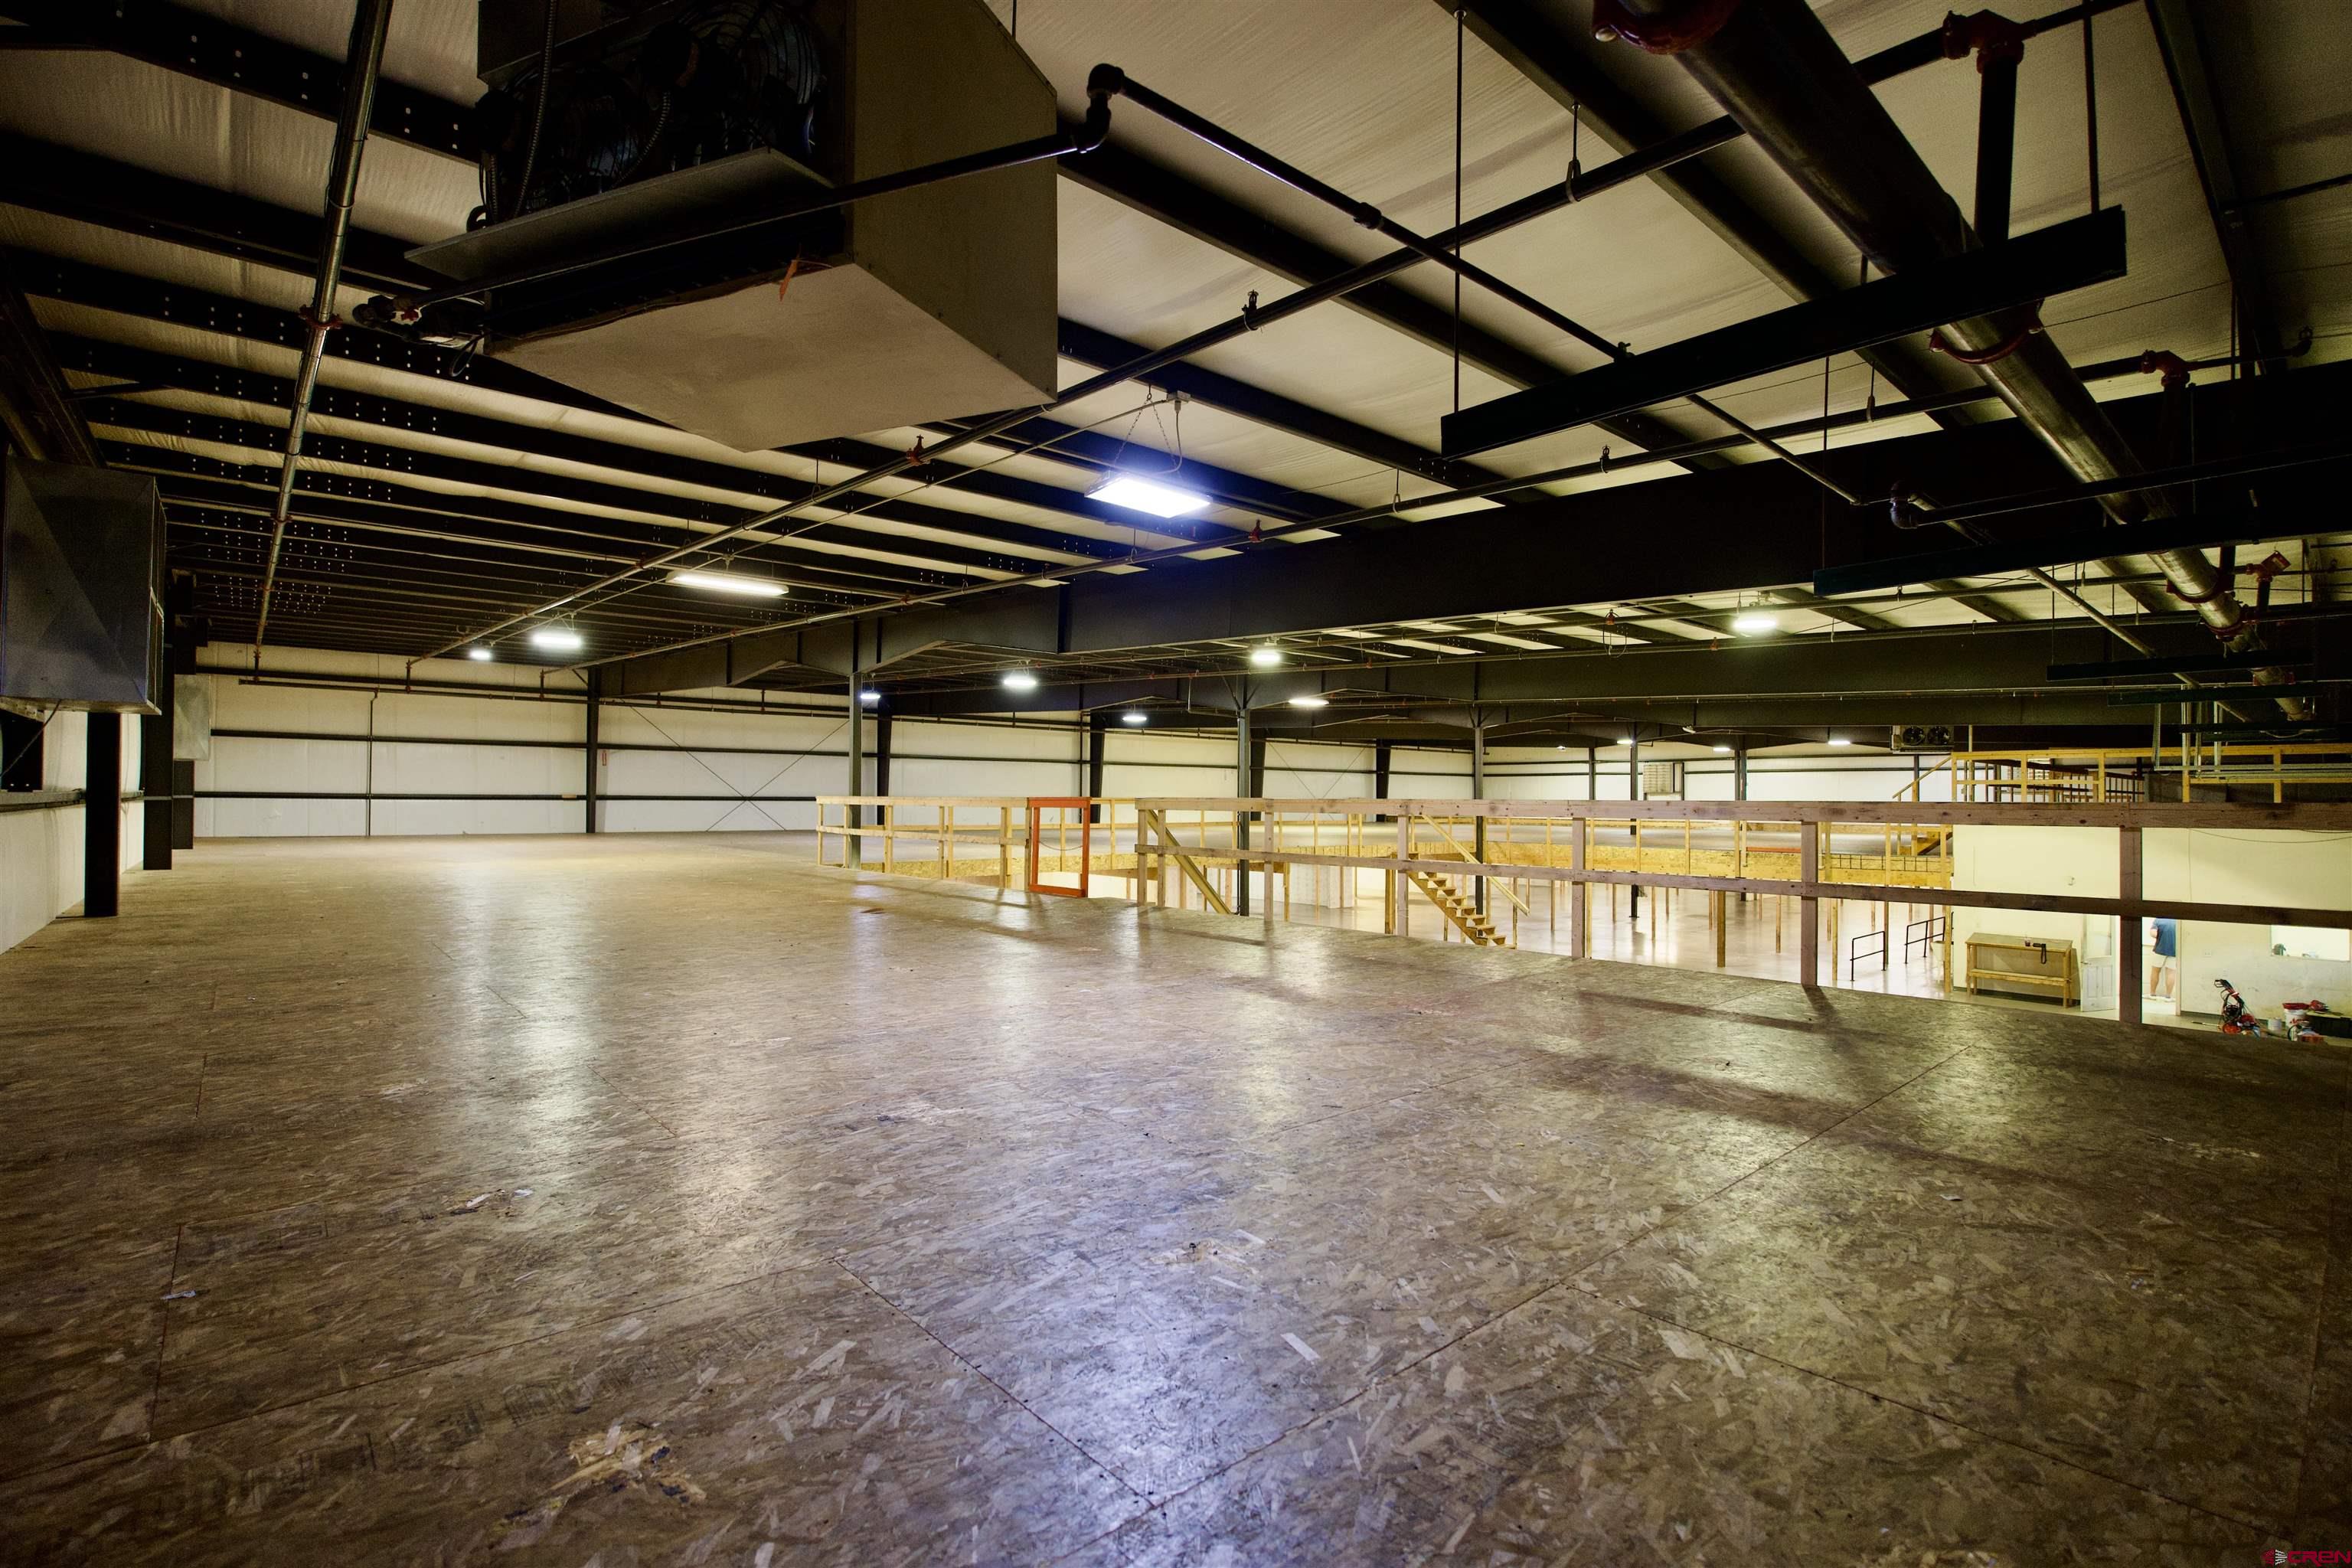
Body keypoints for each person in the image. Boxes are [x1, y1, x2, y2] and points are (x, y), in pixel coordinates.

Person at [2145, 916, 2178, 1000]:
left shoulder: (2159, 920)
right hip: (2174, 951)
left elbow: (2153, 933)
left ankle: (2152, 994)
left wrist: (2162, 936)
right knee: (2171, 973)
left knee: (2155, 971)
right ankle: (2168, 996)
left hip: (2160, 950)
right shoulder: (2178, 921)